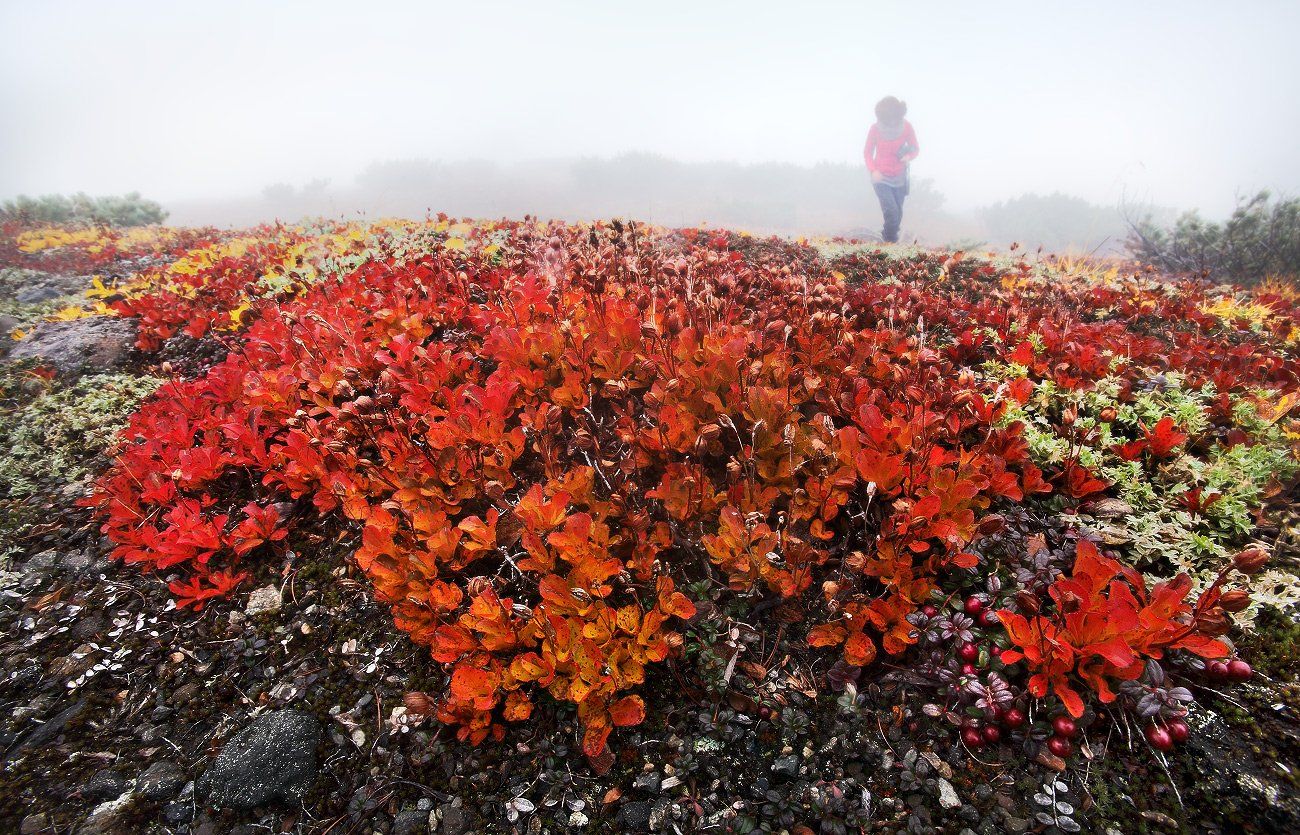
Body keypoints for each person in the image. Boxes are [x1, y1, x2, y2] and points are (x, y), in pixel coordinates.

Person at [864, 96, 919, 243]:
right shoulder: (875, 129)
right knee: (891, 211)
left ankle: (887, 238)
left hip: (900, 178)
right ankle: (890, 242)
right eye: (888, 118)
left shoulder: (906, 127)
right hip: (880, 178)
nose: (892, 121)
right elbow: (868, 152)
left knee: (898, 214)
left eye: (895, 117)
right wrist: (873, 170)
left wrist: (908, 156)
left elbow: (915, 148)